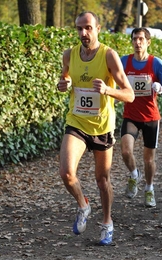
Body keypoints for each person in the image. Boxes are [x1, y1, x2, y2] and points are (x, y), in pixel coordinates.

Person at [57, 11, 135, 246]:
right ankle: (83, 204)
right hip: (77, 122)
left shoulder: (109, 56)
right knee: (67, 174)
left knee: (102, 180)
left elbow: (129, 95)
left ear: (98, 28)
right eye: (80, 28)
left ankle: (107, 222)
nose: (83, 33)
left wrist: (108, 91)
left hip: (102, 126)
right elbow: (66, 78)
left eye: (88, 28)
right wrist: (63, 83)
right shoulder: (69, 54)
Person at [120, 27, 162, 207]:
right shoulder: (124, 61)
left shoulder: (155, 63)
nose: (137, 43)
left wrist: (161, 89)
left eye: (141, 39)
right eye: (135, 39)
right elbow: (111, 79)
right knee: (125, 151)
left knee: (148, 159)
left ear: (148, 42)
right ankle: (134, 175)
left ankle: (149, 188)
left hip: (151, 117)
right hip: (130, 115)